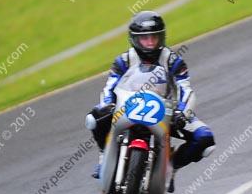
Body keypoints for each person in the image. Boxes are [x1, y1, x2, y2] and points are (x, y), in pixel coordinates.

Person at [87, 11, 215, 179]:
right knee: (95, 117)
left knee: (205, 139)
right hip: (128, 106)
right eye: (145, 38)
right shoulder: (123, 60)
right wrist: (108, 104)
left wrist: (182, 113)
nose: (150, 43)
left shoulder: (173, 61)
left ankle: (171, 167)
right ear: (134, 39)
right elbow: (109, 86)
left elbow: (186, 89)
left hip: (166, 110)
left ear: (161, 37)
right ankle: (104, 156)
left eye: (154, 37)